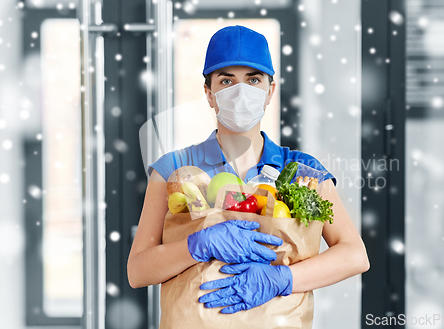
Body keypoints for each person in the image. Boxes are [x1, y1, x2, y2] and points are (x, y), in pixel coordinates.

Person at [128, 25, 369, 314]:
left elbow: (355, 255)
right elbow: (138, 271)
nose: (241, 91)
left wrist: (283, 279)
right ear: (209, 93)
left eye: (253, 80)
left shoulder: (301, 171)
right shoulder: (175, 169)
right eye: (227, 81)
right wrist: (195, 246)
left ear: (270, 91)